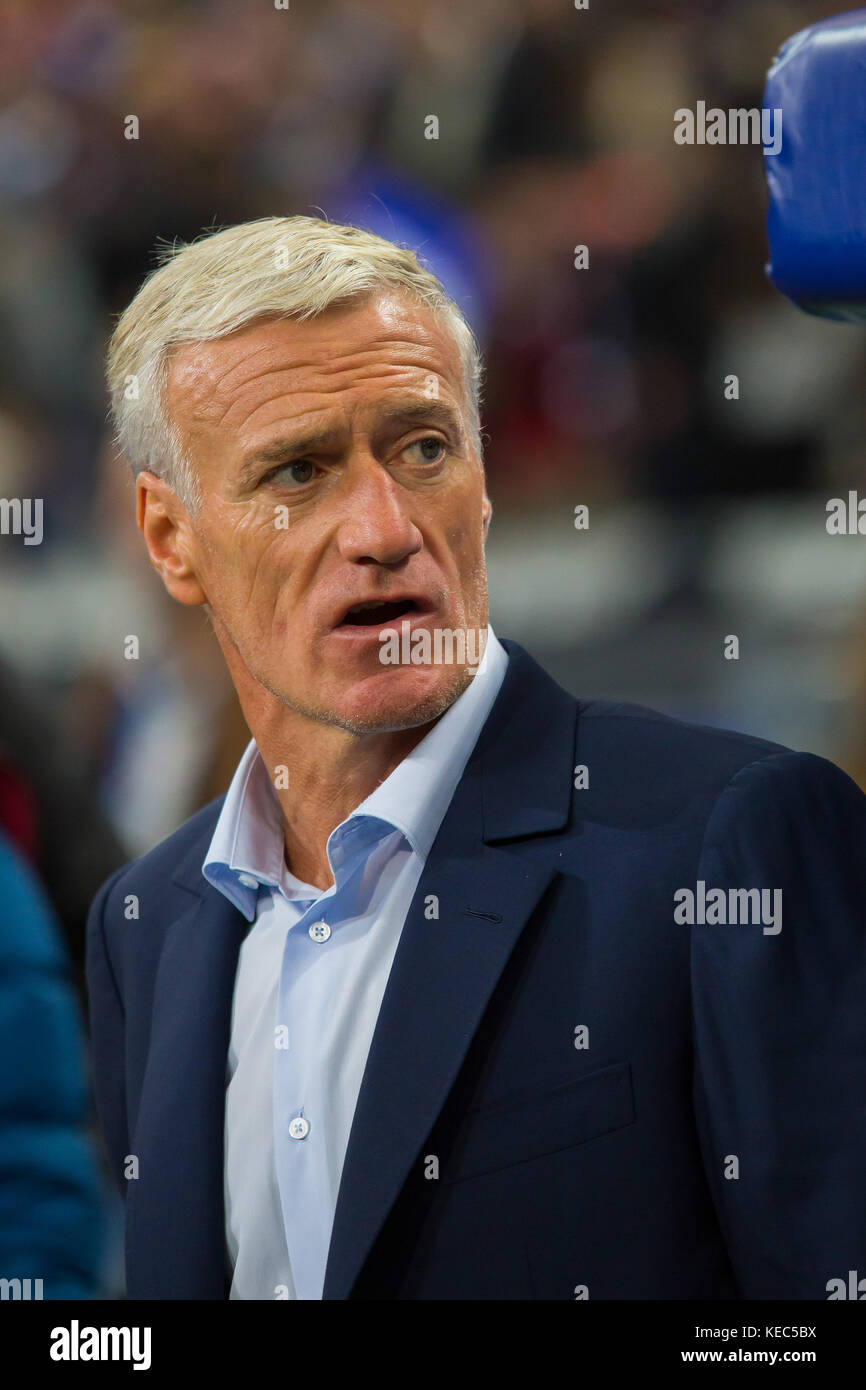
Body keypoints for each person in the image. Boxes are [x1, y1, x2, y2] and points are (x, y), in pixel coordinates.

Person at [86, 215, 866, 1300]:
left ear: (483, 475)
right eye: (298, 471)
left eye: (421, 447)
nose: (384, 527)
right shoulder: (146, 925)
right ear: (171, 540)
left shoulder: (728, 839)